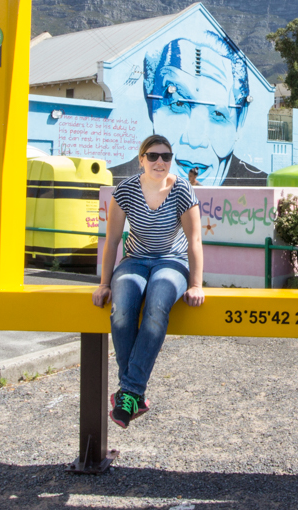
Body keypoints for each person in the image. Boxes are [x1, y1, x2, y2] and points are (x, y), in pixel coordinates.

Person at [94, 135, 204, 428]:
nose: (160, 162)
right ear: (141, 158)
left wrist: (196, 284)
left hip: (172, 261)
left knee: (157, 303)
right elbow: (113, 240)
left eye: (166, 157)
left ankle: (129, 391)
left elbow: (194, 240)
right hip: (135, 260)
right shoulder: (126, 190)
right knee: (123, 309)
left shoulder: (181, 188)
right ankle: (134, 393)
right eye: (153, 156)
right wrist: (104, 283)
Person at [110, 31, 266, 186]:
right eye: (178, 105)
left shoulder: (262, 188)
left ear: (240, 121)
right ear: (151, 104)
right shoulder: (116, 185)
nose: (194, 140)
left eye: (218, 114)